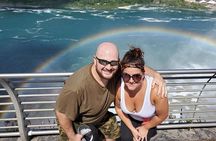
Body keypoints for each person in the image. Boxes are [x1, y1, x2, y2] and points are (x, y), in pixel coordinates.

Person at [55, 42, 166, 141]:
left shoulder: (117, 71)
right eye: (103, 62)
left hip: (99, 117)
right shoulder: (76, 87)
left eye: (113, 63)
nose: (108, 67)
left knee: (115, 135)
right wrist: (72, 137)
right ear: (94, 60)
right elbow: (61, 114)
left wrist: (156, 75)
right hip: (76, 121)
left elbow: (135, 66)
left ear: (118, 63)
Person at [115, 47, 169, 141]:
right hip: (130, 118)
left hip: (148, 120)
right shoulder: (120, 87)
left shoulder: (155, 91)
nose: (131, 81)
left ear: (144, 75)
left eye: (136, 76)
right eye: (126, 76)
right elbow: (118, 108)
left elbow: (162, 115)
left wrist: (146, 127)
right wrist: (132, 129)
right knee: (125, 138)